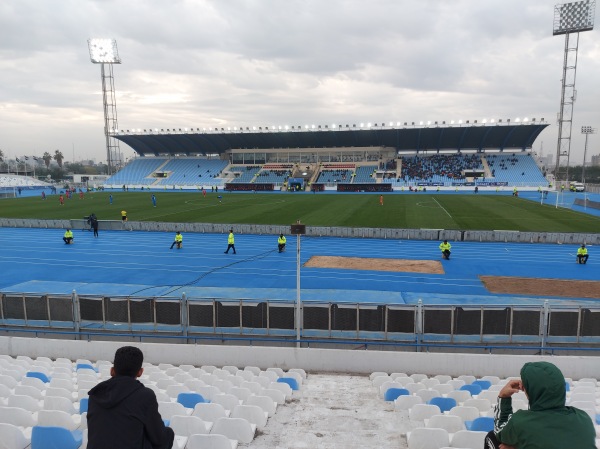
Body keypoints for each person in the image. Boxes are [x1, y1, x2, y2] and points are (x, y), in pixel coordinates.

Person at [484, 361, 596, 449]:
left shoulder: (521, 423)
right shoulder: (583, 418)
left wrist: (504, 396)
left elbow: (499, 430)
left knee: (492, 437)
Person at [87, 346, 175, 449]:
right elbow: (159, 438)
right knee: (167, 434)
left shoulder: (95, 393)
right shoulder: (145, 396)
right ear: (140, 372)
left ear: (112, 371)